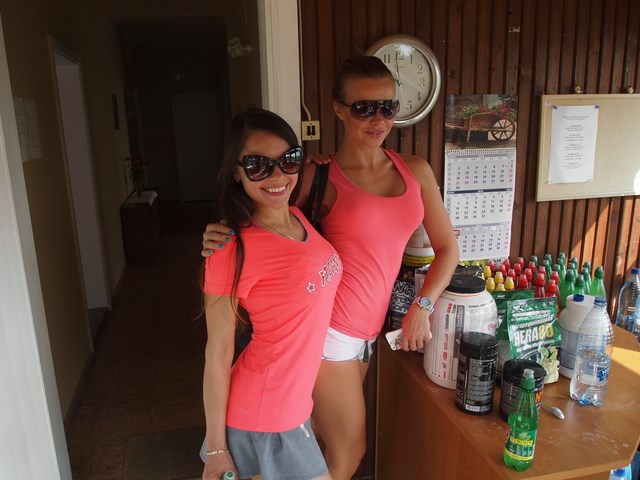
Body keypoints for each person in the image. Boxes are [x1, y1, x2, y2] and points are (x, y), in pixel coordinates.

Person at [202, 56, 459, 480]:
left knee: (320, 440)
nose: (378, 118)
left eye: (388, 107)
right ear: (339, 109)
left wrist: (424, 305)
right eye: (364, 108)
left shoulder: (413, 170)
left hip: (368, 333)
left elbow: (448, 248)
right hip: (329, 333)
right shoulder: (315, 176)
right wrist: (220, 232)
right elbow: (262, 212)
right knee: (349, 451)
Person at [200, 107, 341, 480]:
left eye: (288, 160)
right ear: (236, 172)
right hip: (265, 413)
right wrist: (216, 449)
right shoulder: (229, 247)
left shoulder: (297, 216)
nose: (278, 176)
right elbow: (218, 351)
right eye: (258, 166)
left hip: (292, 404)